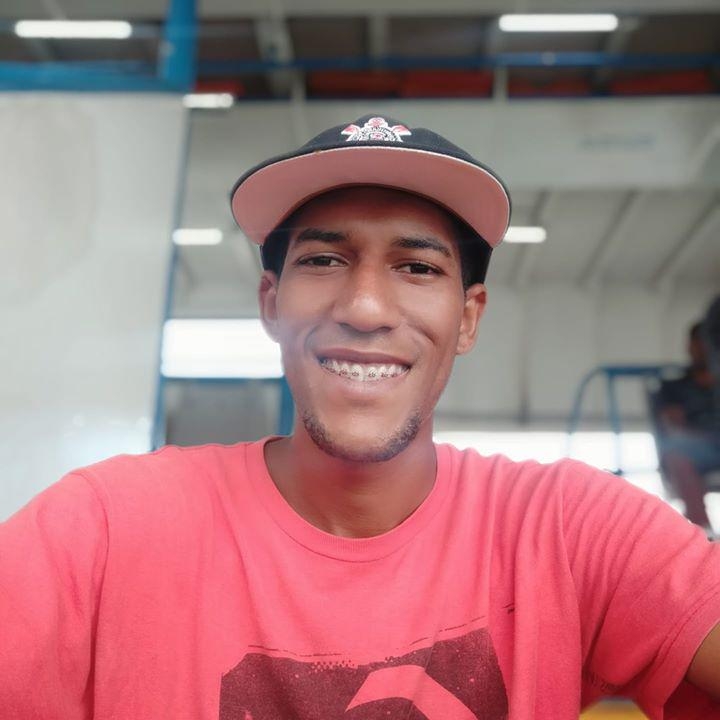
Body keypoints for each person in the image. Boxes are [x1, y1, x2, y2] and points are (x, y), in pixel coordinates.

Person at [1, 114, 720, 719]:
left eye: (418, 267)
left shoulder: (564, 529)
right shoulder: (104, 530)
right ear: (270, 303)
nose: (366, 308)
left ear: (468, 318)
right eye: (323, 261)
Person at [657, 322, 720, 533]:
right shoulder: (673, 387)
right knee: (677, 451)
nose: (702, 349)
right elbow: (673, 425)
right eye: (698, 343)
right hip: (696, 448)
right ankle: (702, 532)